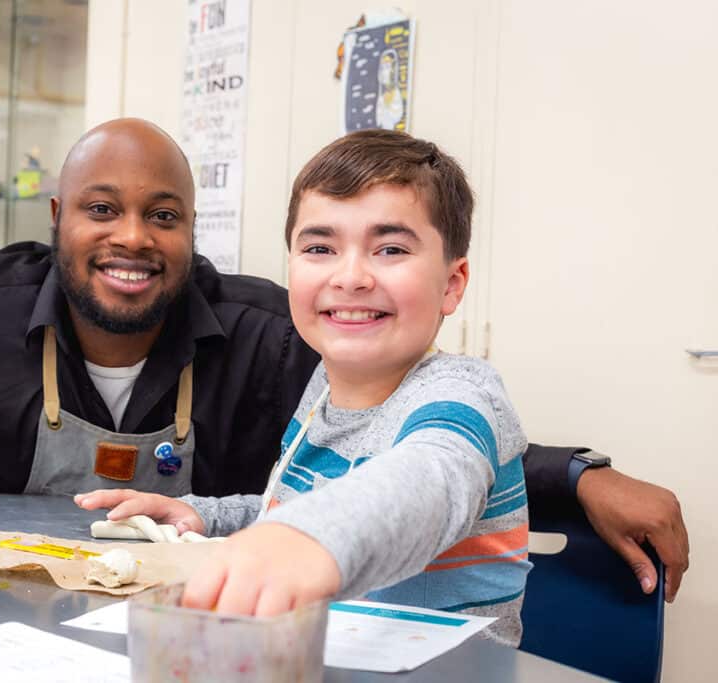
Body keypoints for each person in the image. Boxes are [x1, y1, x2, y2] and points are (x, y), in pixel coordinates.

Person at [0, 118, 688, 602]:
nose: (132, 238)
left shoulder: (282, 337)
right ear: (57, 219)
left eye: (163, 215)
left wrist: (575, 476)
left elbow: (423, 465)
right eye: (101, 209)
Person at [77, 130, 530, 644]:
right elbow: (296, 508)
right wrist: (207, 514)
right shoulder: (322, 388)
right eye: (320, 247)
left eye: (390, 248)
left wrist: (308, 538)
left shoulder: (462, 394)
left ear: (452, 283)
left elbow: (430, 481)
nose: (351, 276)